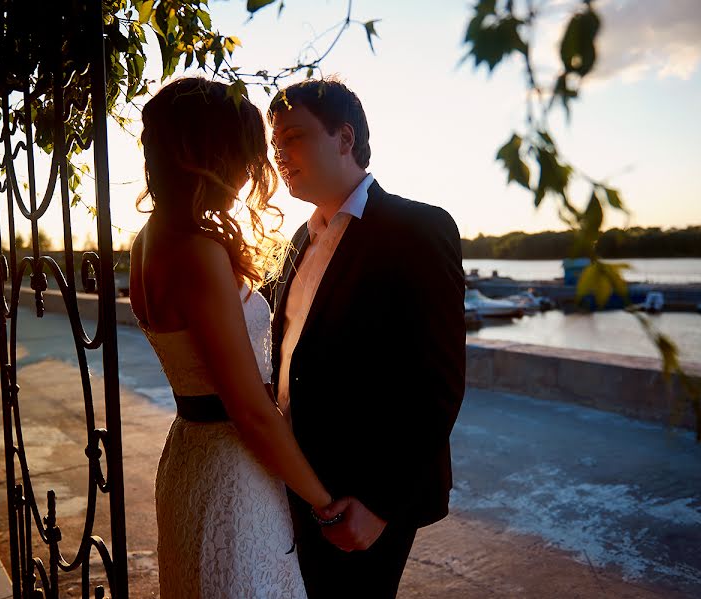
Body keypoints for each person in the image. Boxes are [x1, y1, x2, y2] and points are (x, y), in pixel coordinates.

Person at [129, 77, 333, 599]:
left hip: (188, 458)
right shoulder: (198, 253)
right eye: (245, 154)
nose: (250, 170)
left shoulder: (146, 242)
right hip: (231, 474)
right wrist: (322, 503)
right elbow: (250, 411)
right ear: (210, 153)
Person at [267, 79, 466, 599]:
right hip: (297, 485)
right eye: (274, 146)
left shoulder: (417, 228)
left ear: (344, 138)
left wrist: (380, 504)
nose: (280, 155)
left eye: (292, 137)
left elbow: (439, 385)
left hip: (365, 500)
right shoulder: (298, 240)